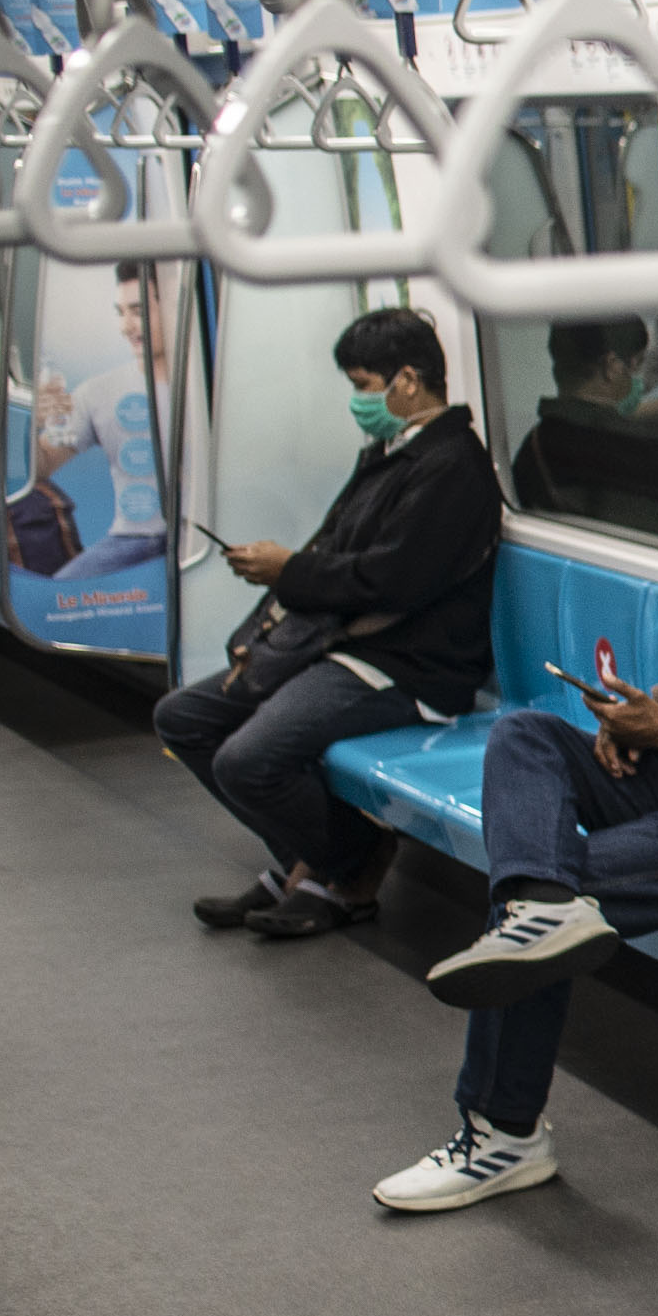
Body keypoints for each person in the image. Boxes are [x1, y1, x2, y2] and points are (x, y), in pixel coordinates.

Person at [380, 417, 658, 1214]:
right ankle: (539, 905)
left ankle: (504, 1135)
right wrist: (640, 715)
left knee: (539, 918)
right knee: (528, 737)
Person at [160, 307, 496, 942]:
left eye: (365, 385)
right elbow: (326, 554)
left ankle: (351, 864)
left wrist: (286, 572)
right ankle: (300, 861)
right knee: (184, 718)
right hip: (337, 648)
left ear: (408, 380)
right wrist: (255, 640)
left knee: (247, 759)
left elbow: (388, 581)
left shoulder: (453, 467)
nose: (359, 401)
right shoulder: (390, 457)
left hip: (408, 667)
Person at [18, 265, 170, 579]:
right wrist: (32, 425)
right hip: (136, 539)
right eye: (120, 312)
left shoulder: (213, 389)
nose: (126, 327)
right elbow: (42, 465)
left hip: (201, 537)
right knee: (62, 594)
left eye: (139, 312)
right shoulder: (99, 393)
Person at [506, 314, 658, 539]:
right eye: (635, 365)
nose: (638, 380)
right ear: (611, 367)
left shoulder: (533, 448)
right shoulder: (626, 450)